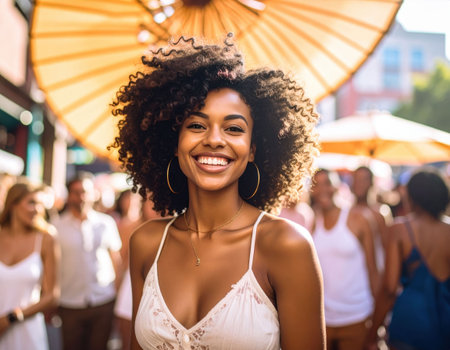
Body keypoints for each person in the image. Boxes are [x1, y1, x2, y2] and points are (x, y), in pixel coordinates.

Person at [111, 34, 325, 349]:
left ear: (253, 149)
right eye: (196, 125)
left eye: (233, 128)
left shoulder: (285, 245)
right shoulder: (146, 242)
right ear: (174, 142)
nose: (214, 139)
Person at [365, 168, 450, 350]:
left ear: (413, 196)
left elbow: (389, 287)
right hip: (445, 320)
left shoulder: (400, 229)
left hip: (409, 320)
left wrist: (372, 335)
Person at [310, 169, 379, 350]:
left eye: (327, 183)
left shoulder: (358, 218)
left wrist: (379, 319)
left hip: (356, 316)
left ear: (337, 187)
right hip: (323, 319)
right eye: (316, 184)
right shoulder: (312, 222)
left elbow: (373, 270)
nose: (322, 189)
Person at [51, 173, 122, 350]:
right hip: (69, 302)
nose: (81, 196)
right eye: (76, 192)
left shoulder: (106, 223)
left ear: (93, 194)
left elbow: (116, 261)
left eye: (85, 192)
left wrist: (117, 297)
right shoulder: (56, 227)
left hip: (103, 300)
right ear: (69, 195)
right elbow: (51, 266)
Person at [0, 181, 59, 350]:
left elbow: (52, 295)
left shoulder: (46, 239)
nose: (38, 209)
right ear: (13, 204)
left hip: (27, 331)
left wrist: (12, 317)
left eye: (40, 204)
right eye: (32, 202)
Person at [114, 197, 160, 350]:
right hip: (130, 288)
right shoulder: (131, 227)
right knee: (127, 339)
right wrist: (117, 288)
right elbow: (121, 261)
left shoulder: (175, 228)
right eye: (150, 200)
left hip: (161, 290)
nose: (155, 205)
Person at [351, 166, 392, 272]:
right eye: (356, 179)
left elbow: (387, 248)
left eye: (364, 179)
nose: (359, 183)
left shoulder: (380, 213)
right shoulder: (346, 212)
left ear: (371, 183)